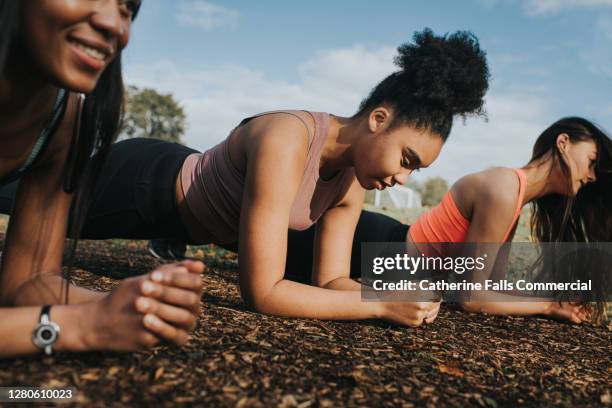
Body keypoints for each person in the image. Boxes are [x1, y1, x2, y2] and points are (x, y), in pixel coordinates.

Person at [50, 29, 489, 327]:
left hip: (181, 214)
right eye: (407, 158)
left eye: (417, 169)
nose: (404, 178)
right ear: (378, 118)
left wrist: (393, 296)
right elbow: (263, 294)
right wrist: (378, 307)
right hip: (143, 184)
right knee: (18, 194)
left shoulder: (352, 182)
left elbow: (330, 282)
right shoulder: (288, 138)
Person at [0, 0, 204, 358]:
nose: (115, 25)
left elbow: (28, 282)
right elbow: (65, 325)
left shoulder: (63, 120)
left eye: (128, 7)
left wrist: (125, 307)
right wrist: (76, 327)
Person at [284, 117, 612, 323]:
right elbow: (473, 299)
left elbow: (483, 289)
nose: (594, 176)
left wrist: (553, 301)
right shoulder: (502, 188)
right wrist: (548, 307)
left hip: (388, 253)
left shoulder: (516, 196)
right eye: (592, 161)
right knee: (258, 238)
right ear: (564, 143)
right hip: (378, 252)